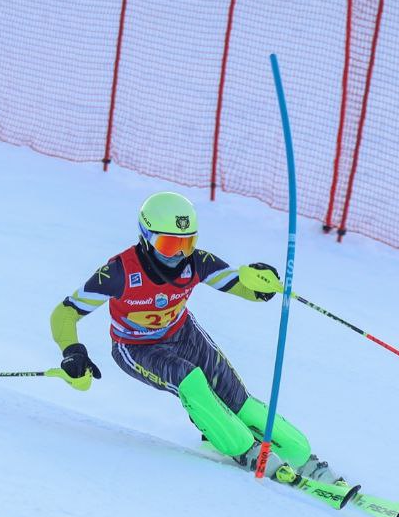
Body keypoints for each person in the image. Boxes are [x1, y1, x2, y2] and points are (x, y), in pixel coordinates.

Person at [48, 191, 341, 483]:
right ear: (146, 237)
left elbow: (238, 284)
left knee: (236, 397)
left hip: (183, 332)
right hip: (136, 347)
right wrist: (73, 351)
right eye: (168, 244)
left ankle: (302, 455)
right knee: (190, 380)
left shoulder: (196, 262)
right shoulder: (119, 272)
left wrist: (260, 285)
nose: (178, 254)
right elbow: (64, 314)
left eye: (187, 243)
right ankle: (243, 449)